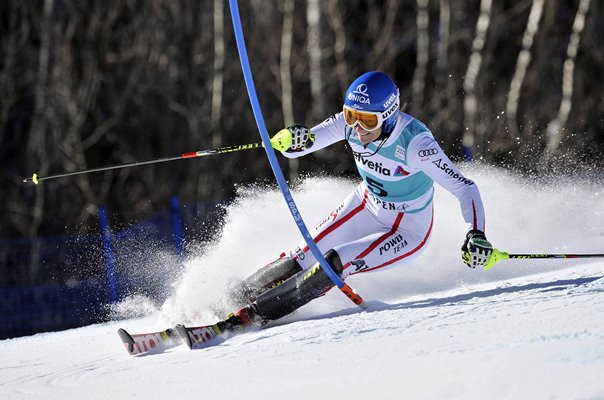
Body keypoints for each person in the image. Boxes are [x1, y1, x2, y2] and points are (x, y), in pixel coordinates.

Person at [214, 71, 494, 331]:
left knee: (335, 262)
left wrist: (476, 233)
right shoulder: (348, 126)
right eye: (351, 115)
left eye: (368, 120)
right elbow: (303, 145)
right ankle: (228, 300)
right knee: (303, 254)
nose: (358, 128)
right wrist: (291, 140)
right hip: (366, 205)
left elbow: (464, 188)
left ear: (389, 115)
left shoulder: (417, 145)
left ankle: (253, 316)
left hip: (406, 229)